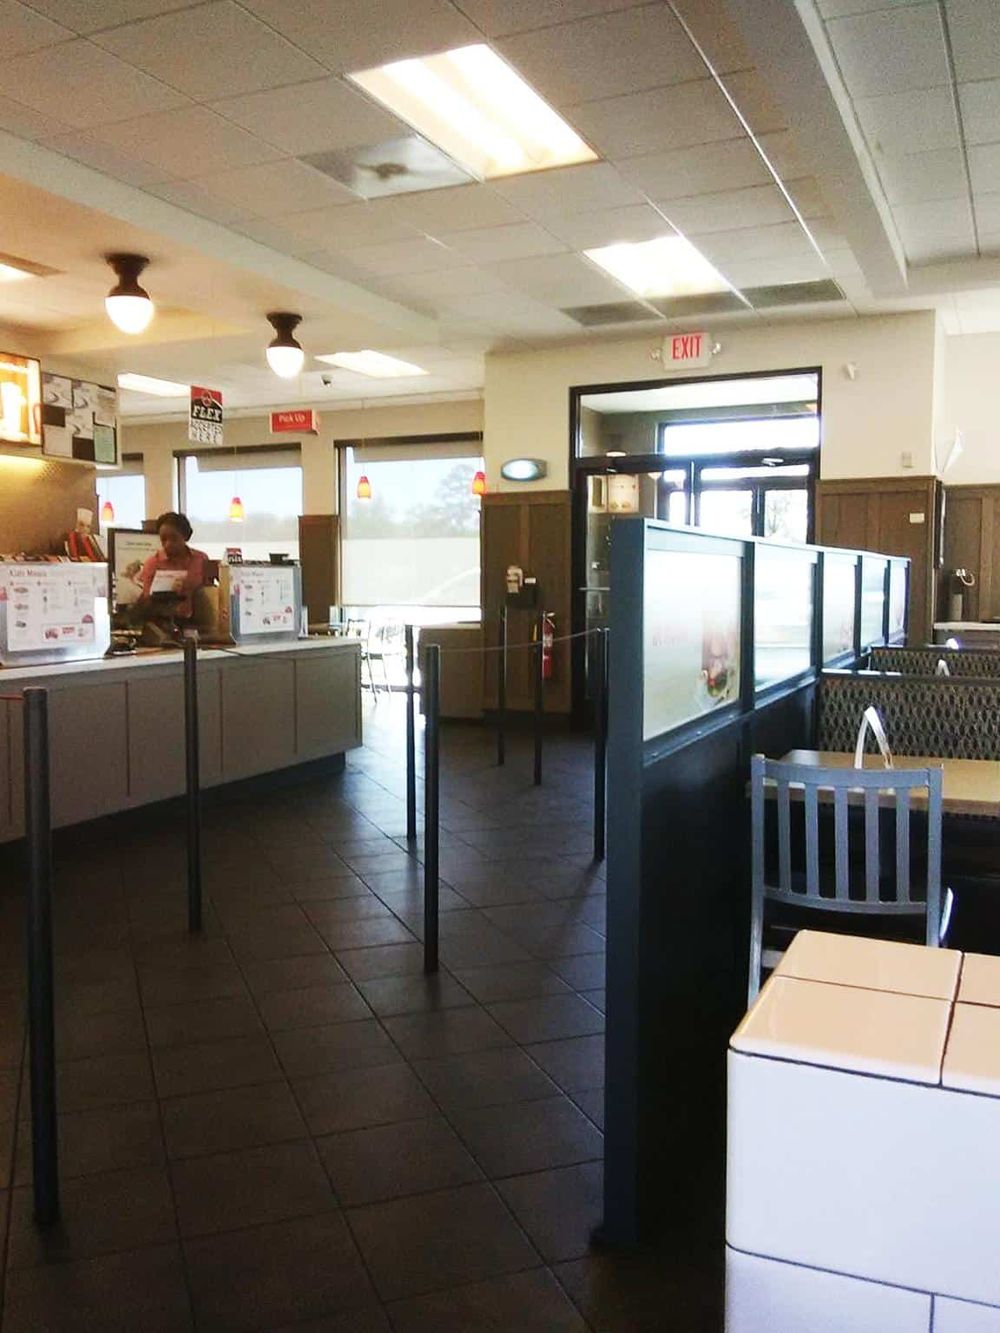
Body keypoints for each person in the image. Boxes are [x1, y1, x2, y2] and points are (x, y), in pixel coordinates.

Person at [139, 511, 209, 621]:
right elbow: (147, 599)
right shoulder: (152, 564)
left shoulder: (201, 559)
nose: (168, 544)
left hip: (200, 622)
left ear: (185, 536)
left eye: (174, 538)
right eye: (164, 539)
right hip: (163, 624)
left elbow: (208, 593)